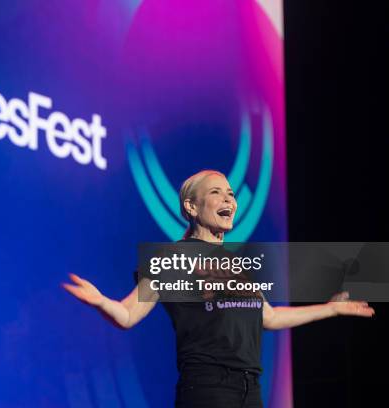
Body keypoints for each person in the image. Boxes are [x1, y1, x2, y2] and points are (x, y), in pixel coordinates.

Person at [62, 169, 375, 408]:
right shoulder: (174, 256)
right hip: (209, 388)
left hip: (250, 389)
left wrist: (331, 308)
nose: (229, 199)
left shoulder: (238, 266)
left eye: (230, 193)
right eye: (216, 192)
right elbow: (128, 314)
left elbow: (269, 317)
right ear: (192, 206)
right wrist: (101, 301)